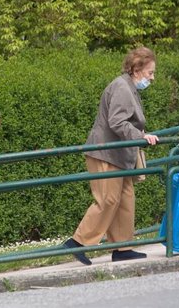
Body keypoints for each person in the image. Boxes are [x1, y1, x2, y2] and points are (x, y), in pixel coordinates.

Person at [64, 47, 159, 265]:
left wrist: (139, 136)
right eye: (150, 72)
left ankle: (123, 247)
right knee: (108, 199)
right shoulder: (122, 88)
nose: (152, 78)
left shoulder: (128, 87)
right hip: (105, 153)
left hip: (117, 154)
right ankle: (77, 242)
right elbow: (117, 121)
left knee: (125, 200)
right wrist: (141, 136)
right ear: (137, 69)